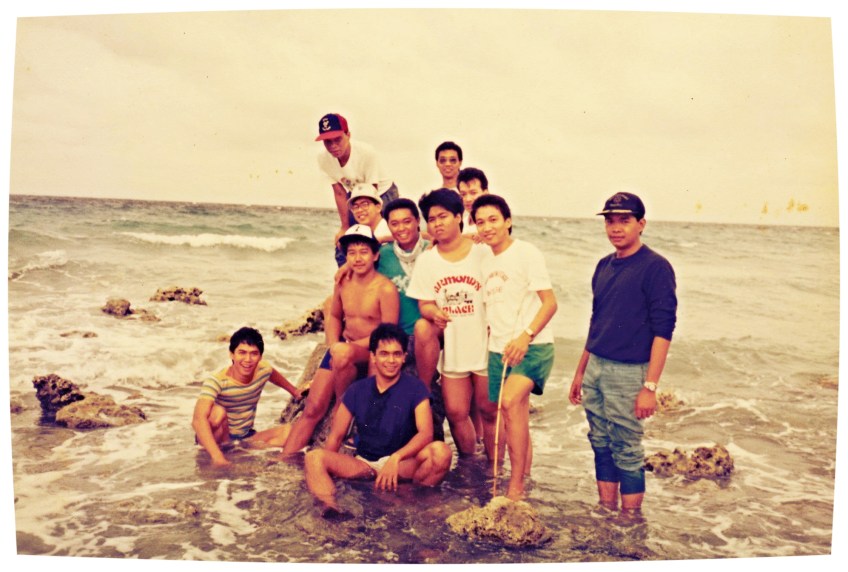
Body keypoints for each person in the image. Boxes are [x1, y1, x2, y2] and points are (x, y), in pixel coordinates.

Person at [568, 192, 677, 515]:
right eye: (610, 221)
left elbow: (663, 330)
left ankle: (630, 520)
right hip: (596, 368)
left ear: (641, 224)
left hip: (629, 373)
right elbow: (597, 321)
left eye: (624, 221)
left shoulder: (656, 267)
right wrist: (580, 372)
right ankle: (606, 510)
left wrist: (650, 387)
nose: (616, 228)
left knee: (627, 448)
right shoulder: (604, 265)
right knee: (600, 442)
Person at [304, 323, 453, 517]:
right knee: (314, 458)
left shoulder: (416, 389)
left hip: (401, 465)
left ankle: (411, 498)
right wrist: (328, 471)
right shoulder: (357, 390)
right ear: (373, 356)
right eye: (384, 354)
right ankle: (331, 510)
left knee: (441, 452)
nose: (391, 360)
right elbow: (336, 436)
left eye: (396, 354)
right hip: (365, 465)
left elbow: (426, 434)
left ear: (404, 357)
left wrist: (396, 458)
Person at [283, 225, 400, 455]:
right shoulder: (342, 283)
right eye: (352, 252)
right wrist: (334, 344)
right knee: (312, 408)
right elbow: (335, 316)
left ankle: (341, 406)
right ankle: (282, 460)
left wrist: (346, 348)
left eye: (363, 251)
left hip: (371, 352)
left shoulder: (385, 289)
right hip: (344, 352)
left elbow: (388, 333)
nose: (358, 258)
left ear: (376, 255)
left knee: (342, 353)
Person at [472, 194, 558, 501]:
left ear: (508, 221)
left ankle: (515, 487)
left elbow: (550, 303)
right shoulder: (484, 259)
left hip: (532, 347)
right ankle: (525, 479)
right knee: (515, 415)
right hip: (499, 351)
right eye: (480, 222)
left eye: (493, 220)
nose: (487, 227)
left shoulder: (526, 252)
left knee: (509, 402)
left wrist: (526, 336)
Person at [406, 189, 496, 459]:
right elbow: (424, 303)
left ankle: (495, 466)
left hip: (484, 344)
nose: (437, 223)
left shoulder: (483, 253)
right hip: (454, 347)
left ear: (459, 216)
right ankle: (469, 465)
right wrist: (434, 312)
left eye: (443, 216)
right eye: (431, 219)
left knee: (489, 410)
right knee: (456, 412)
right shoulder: (427, 260)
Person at [192, 327, 303, 467]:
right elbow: (198, 420)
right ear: (231, 354)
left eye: (254, 354)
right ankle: (217, 453)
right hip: (220, 437)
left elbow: (272, 374)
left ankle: (238, 452)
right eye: (242, 353)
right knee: (217, 412)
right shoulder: (216, 380)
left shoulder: (263, 369)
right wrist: (217, 457)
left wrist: (295, 391)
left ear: (260, 357)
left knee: (290, 431)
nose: (248, 359)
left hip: (245, 438)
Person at [315, 112, 399, 266]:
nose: (333, 146)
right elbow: (339, 193)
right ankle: (347, 277)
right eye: (327, 141)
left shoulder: (366, 153)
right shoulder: (323, 159)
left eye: (338, 139)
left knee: (385, 238)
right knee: (344, 243)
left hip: (382, 193)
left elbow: (371, 192)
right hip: (355, 194)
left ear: (348, 135)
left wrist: (365, 228)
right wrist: (345, 226)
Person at [457, 167, 490, 241]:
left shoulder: (493, 222)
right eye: (463, 194)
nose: (467, 199)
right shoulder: (462, 222)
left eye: (473, 193)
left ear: (485, 193)